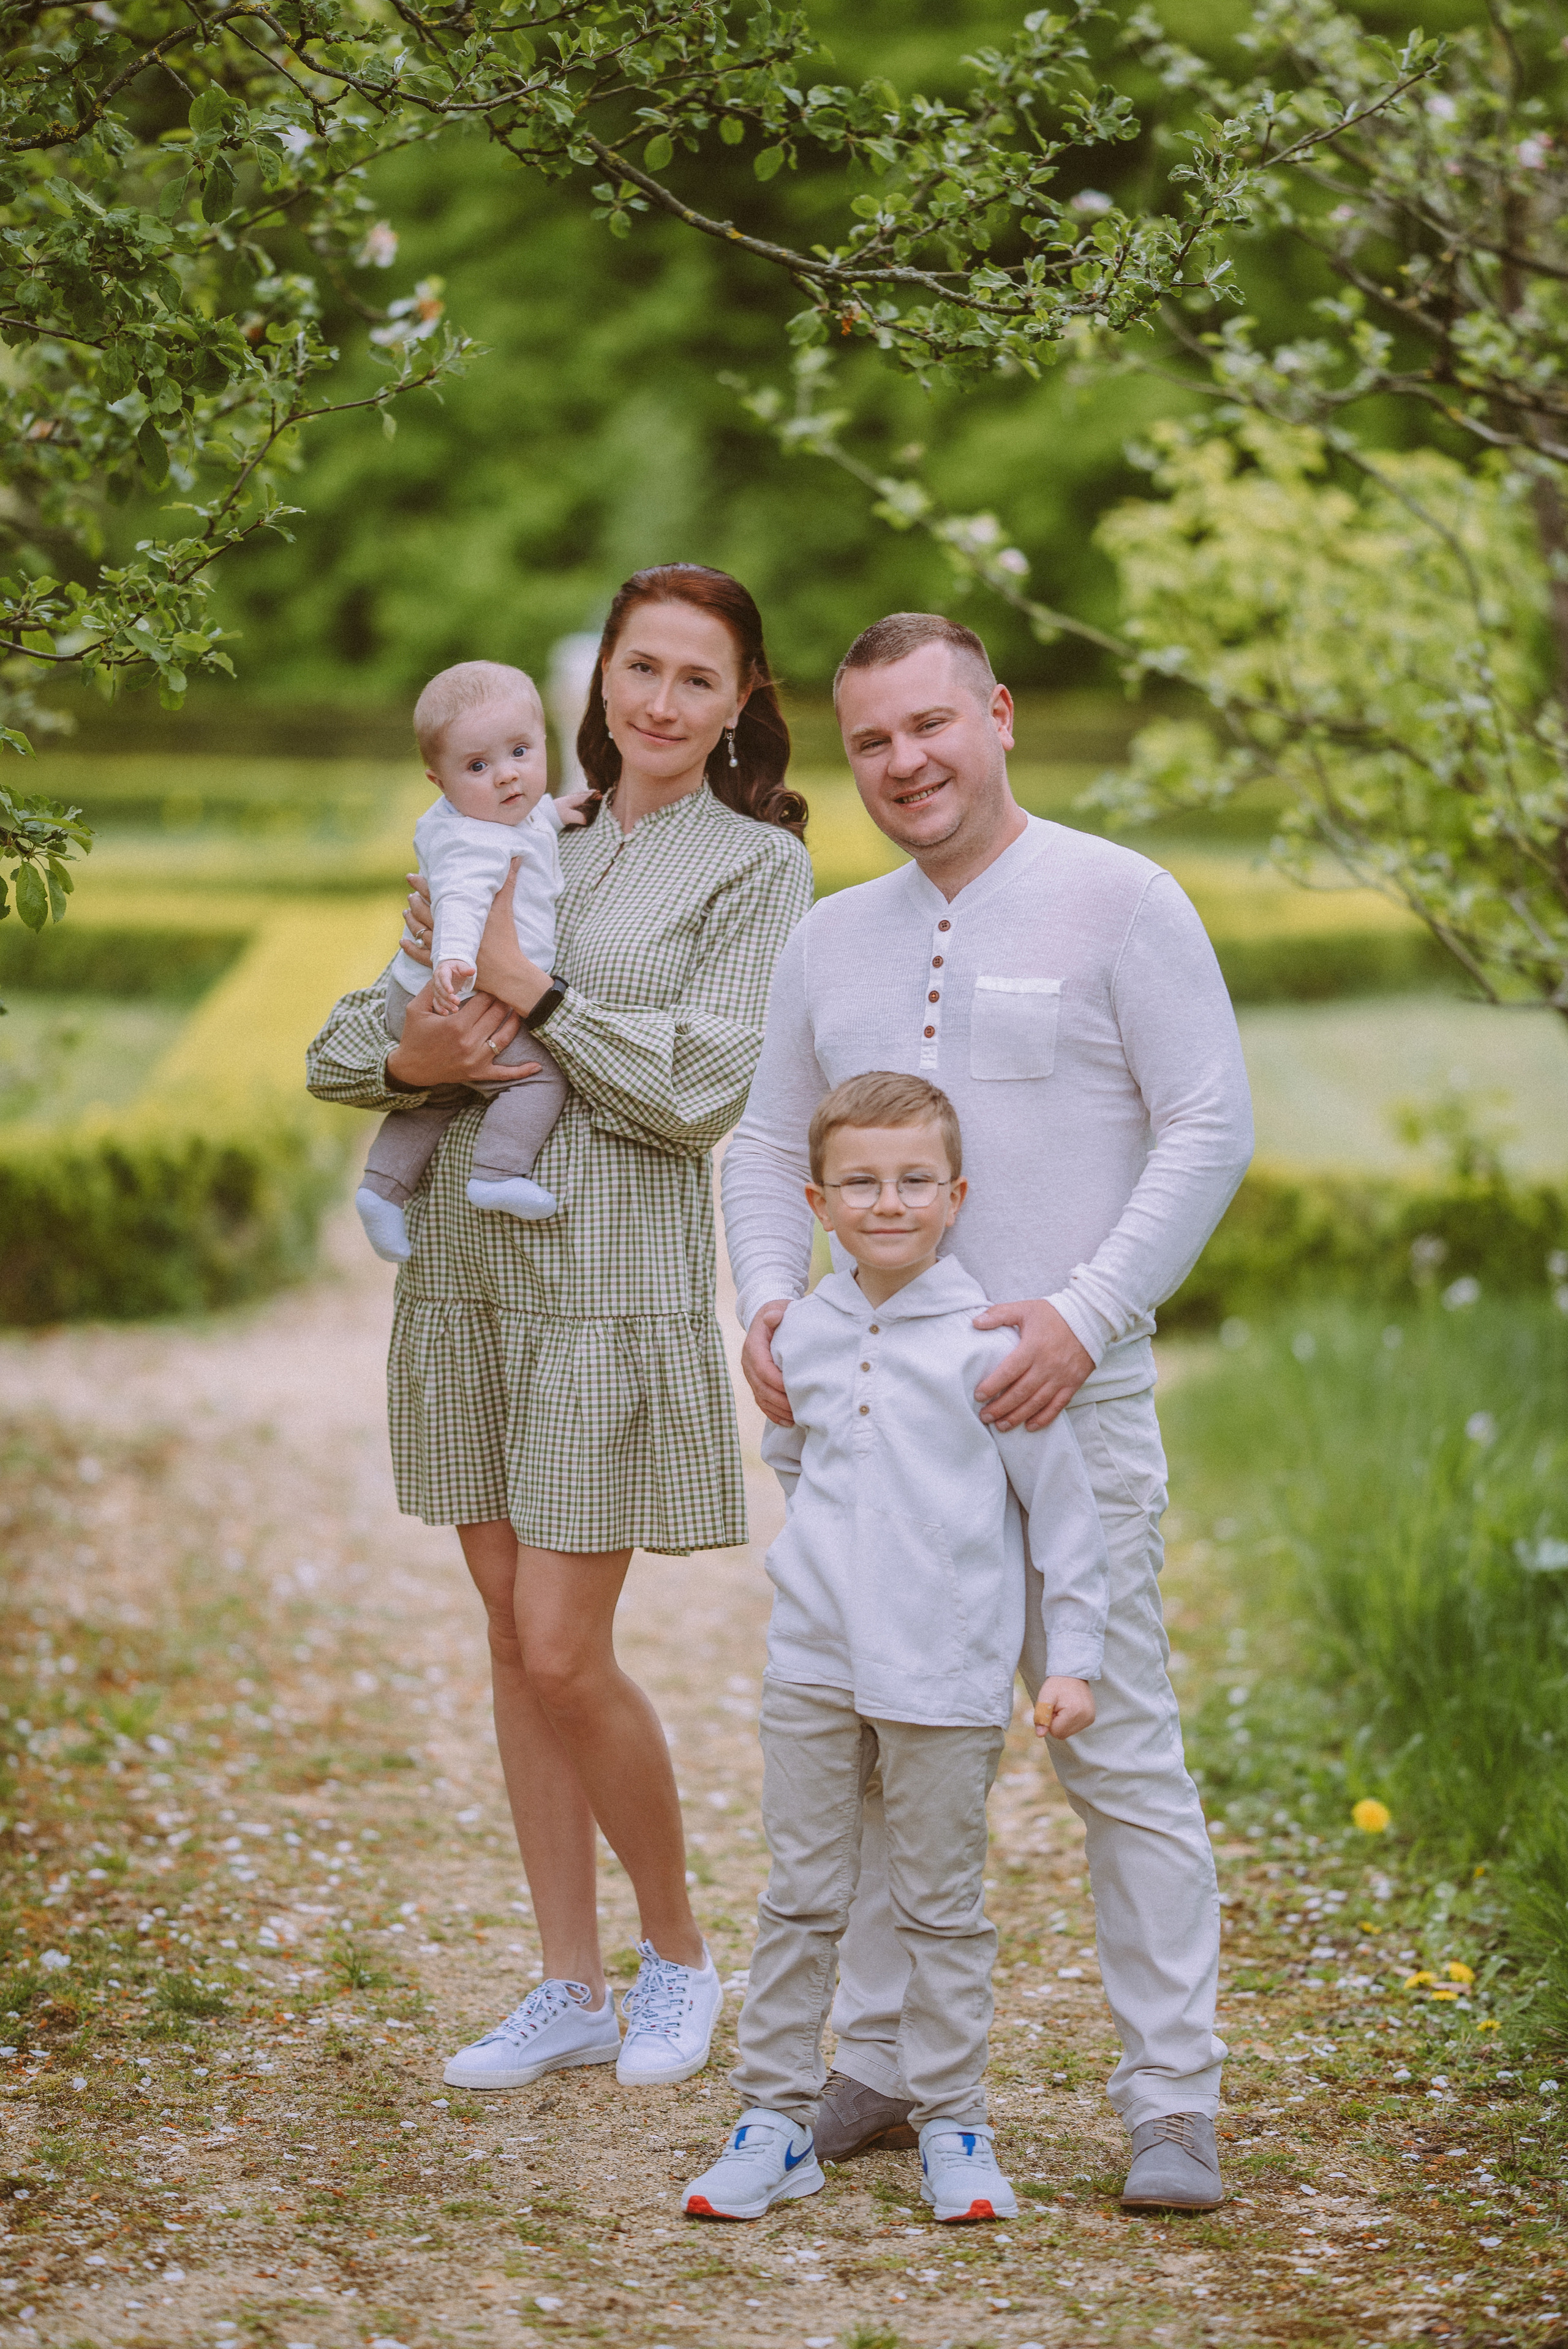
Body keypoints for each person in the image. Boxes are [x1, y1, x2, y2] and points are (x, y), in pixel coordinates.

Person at [721, 612, 1254, 2213]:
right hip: (877, 1436)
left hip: (1063, 1409)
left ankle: (1173, 2098)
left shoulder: (1121, 900)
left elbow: (1210, 1121)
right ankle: (876, 2060)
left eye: (931, 724)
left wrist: (1087, 1317)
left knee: (1123, 1754)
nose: (905, 762)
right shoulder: (833, 937)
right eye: (872, 739)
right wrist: (765, 1301)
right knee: (885, 1744)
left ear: (1000, 714)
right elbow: (764, 1148)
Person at [307, 565, 814, 2093]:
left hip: (609, 1291)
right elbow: (350, 1047)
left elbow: (695, 1093)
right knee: (507, 1645)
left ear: (738, 703)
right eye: (636, 670)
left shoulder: (756, 870)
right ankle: (567, 1982)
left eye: (694, 680)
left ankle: (678, 1955)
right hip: (465, 1278)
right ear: (599, 681)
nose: (656, 704)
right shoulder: (523, 819)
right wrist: (409, 1046)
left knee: (558, 1642)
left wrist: (539, 987)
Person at [683, 1072, 1109, 2225]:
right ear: (819, 1203)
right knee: (801, 1895)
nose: (888, 1201)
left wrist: (1071, 1656)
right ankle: (772, 2119)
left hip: (947, 1670)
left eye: (913, 1179)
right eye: (861, 1182)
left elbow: (1065, 1512)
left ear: (955, 1193)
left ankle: (956, 2121)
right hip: (814, 1662)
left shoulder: (988, 1342)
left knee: (940, 1905)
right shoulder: (804, 1331)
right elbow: (798, 1461)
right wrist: (829, 1559)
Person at [355, 660, 584, 1265]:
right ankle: (498, 1173)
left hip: (429, 993)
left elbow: (531, 818)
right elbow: (457, 897)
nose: (507, 776)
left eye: (520, 751)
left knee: (443, 1091)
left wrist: (559, 811)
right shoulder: (468, 839)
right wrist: (454, 958)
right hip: (455, 990)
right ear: (439, 780)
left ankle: (382, 1188)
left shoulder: (505, 810)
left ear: (543, 743)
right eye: (478, 766)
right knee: (538, 1077)